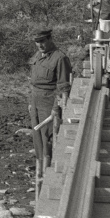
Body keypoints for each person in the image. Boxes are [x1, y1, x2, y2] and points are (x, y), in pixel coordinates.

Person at [28, 29, 71, 170]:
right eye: (37, 42)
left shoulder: (60, 58)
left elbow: (63, 86)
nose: (40, 45)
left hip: (48, 101)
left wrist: (55, 108)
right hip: (35, 100)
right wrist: (31, 102)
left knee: (48, 136)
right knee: (37, 135)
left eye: (42, 41)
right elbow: (34, 81)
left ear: (50, 39)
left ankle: (50, 168)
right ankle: (40, 165)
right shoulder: (38, 55)